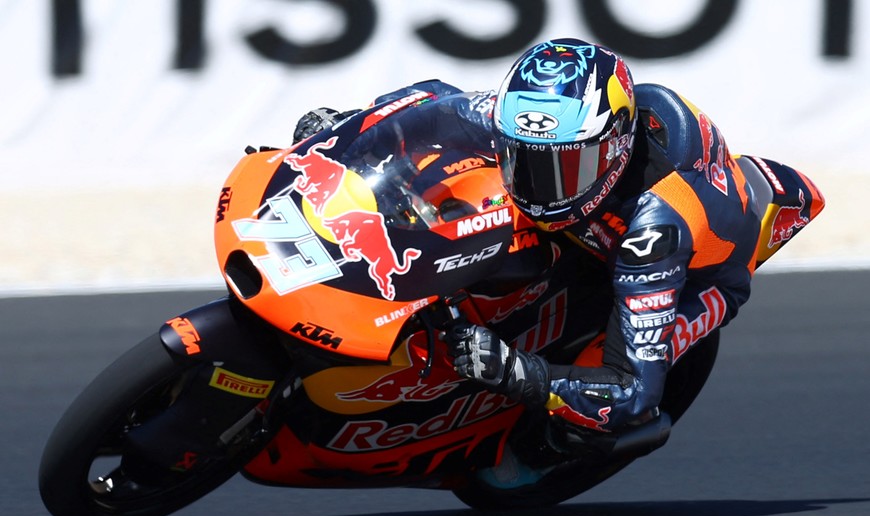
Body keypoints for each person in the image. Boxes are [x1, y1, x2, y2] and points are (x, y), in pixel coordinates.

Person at [294, 38, 824, 484]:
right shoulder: (539, 123)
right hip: (589, 230)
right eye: (522, 157)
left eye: (566, 167)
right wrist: (344, 135)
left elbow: (629, 391)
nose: (537, 182)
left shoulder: (655, 230)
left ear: (614, 148)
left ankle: (547, 450)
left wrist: (516, 371)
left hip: (695, 279)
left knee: (613, 408)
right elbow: (430, 106)